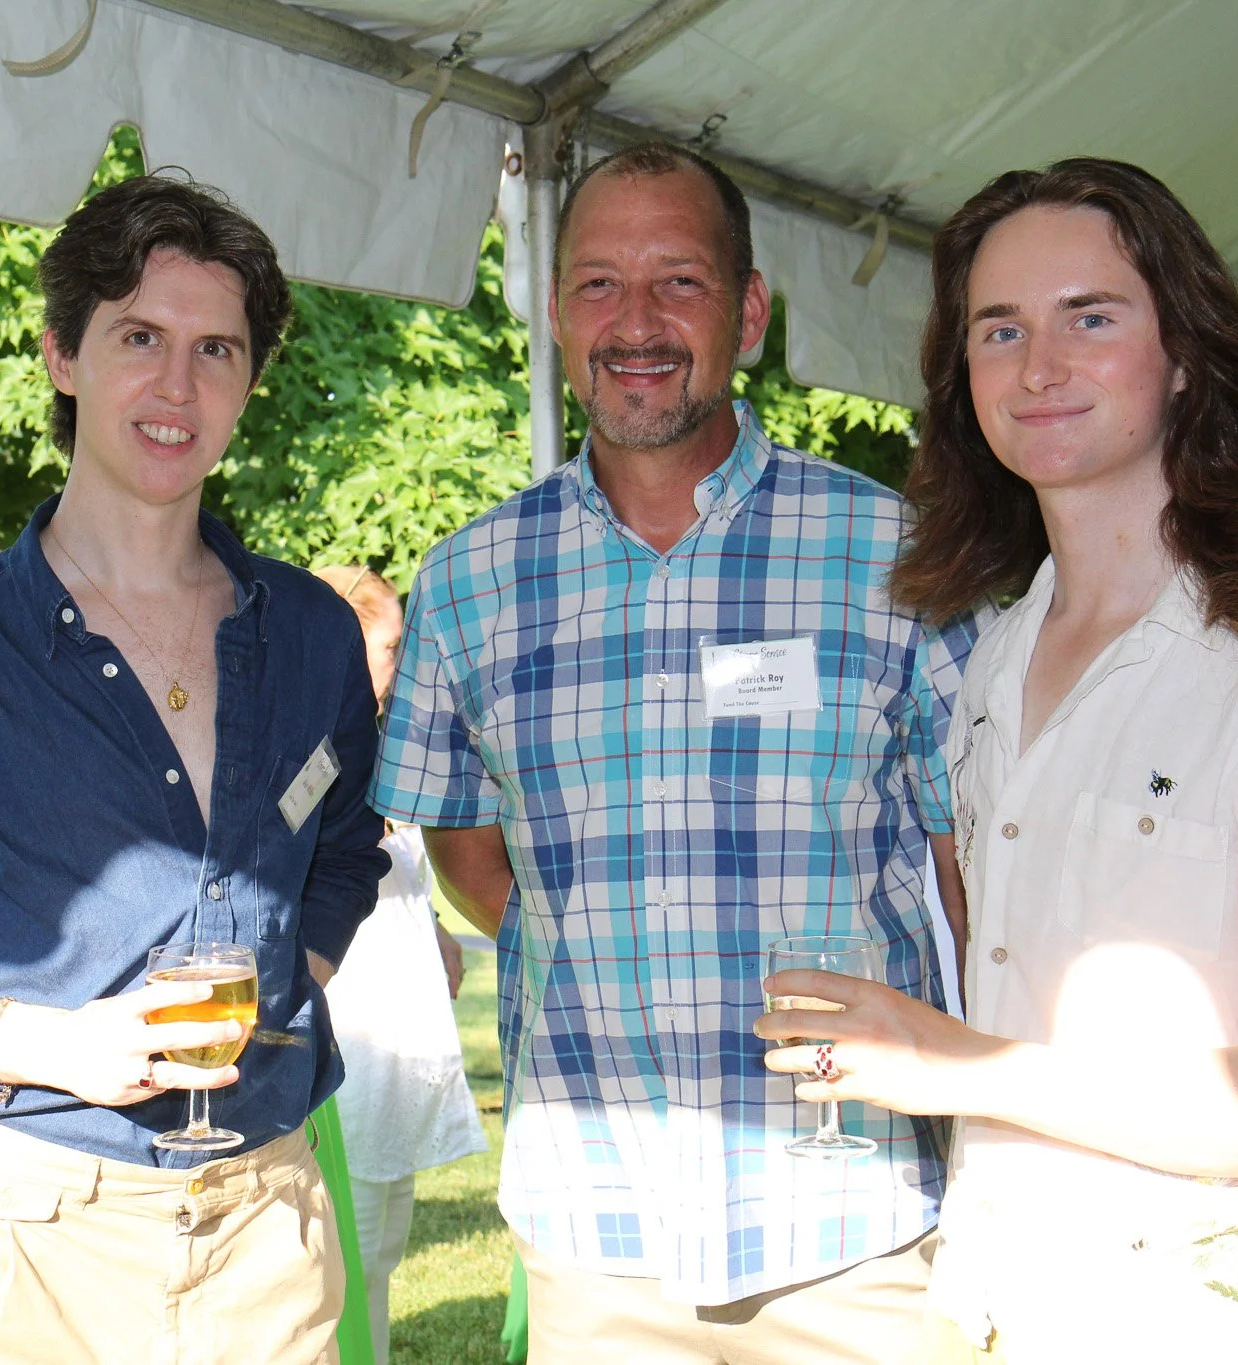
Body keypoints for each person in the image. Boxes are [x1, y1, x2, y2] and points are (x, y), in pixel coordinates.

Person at [756, 158, 1238, 1364]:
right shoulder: (991, 664)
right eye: (998, 329)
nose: (1038, 366)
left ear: (1183, 356)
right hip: (984, 1312)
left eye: (1091, 317)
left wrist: (962, 1064)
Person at [370, 141, 978, 1363]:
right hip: (597, 1238)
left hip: (851, 1229)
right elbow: (464, 846)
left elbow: (977, 872)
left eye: (678, 282)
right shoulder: (470, 580)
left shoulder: (897, 560)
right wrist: (601, 942)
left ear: (747, 311)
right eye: (597, 284)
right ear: (552, 314)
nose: (633, 322)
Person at [0, 174, 389, 1365]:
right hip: (22, 1247)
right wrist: (52, 1047)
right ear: (63, 357)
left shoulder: (314, 633)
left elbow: (348, 846)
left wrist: (291, 967)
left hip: (269, 1234)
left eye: (217, 349)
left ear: (250, 383)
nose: (177, 387)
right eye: (138, 338)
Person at [313, 564, 487, 1365]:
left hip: (399, 993)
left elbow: (404, 860)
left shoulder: (379, 736)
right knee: (351, 1239)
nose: (407, 654)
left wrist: (440, 930)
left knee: (382, 1237)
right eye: (392, 642)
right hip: (358, 1008)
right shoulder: (315, 744)